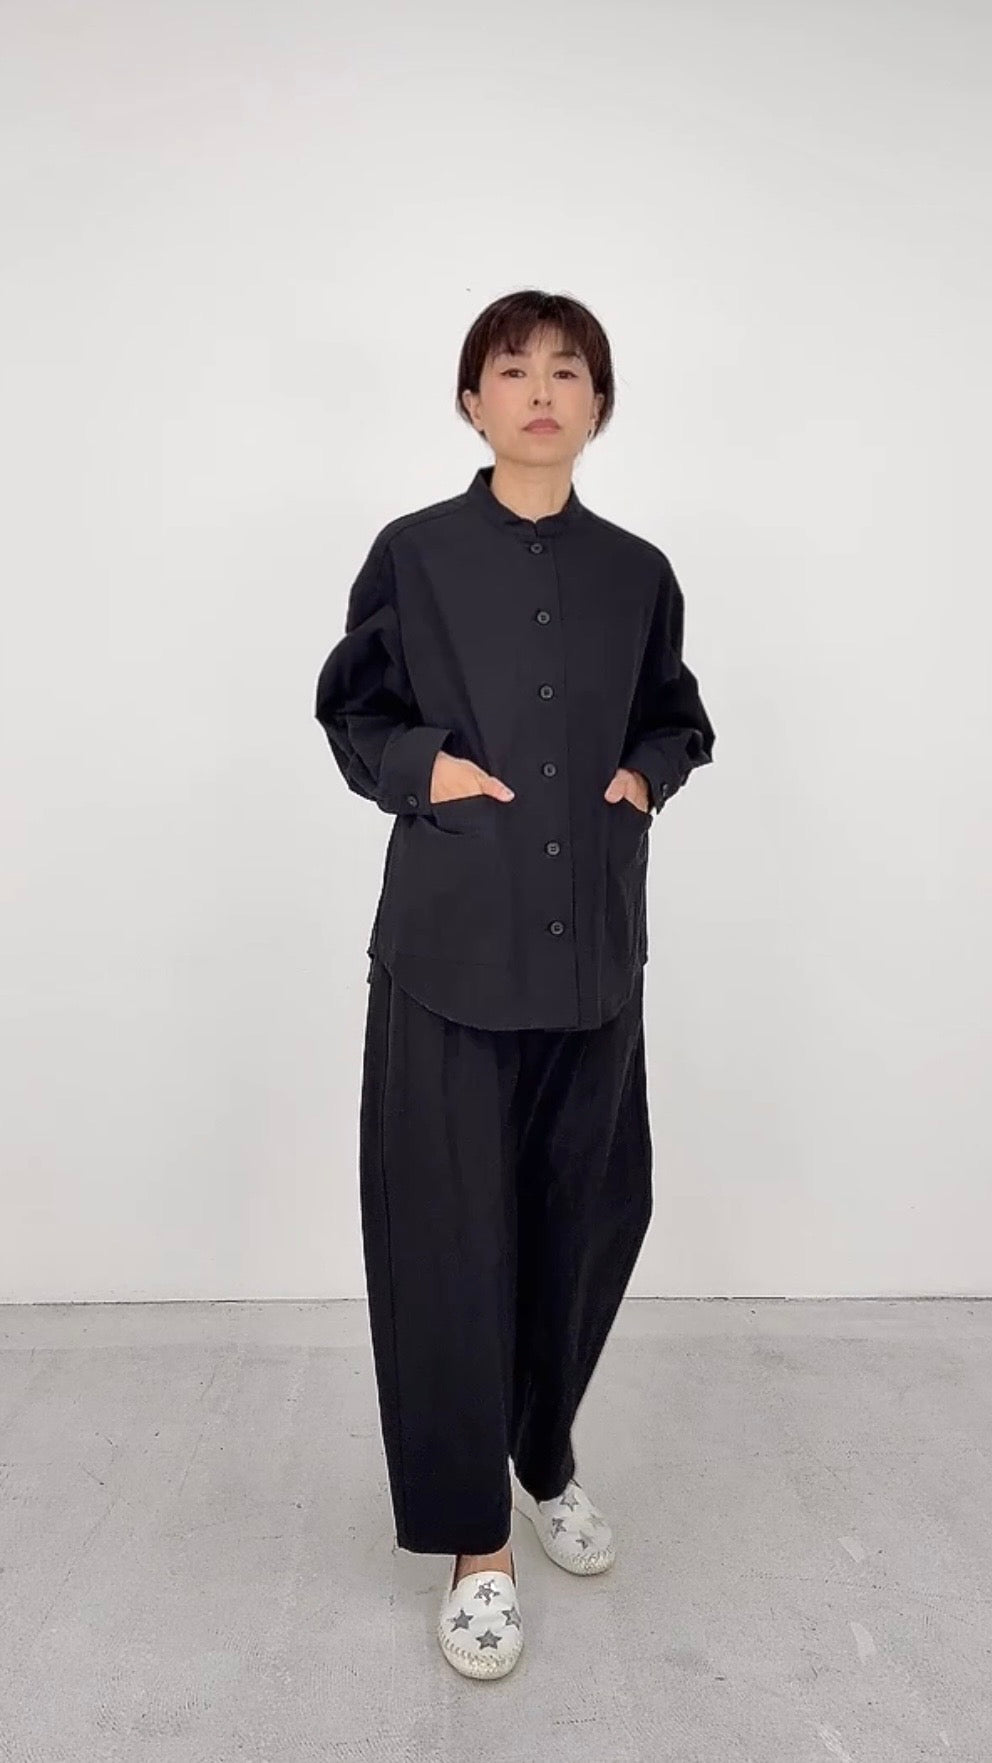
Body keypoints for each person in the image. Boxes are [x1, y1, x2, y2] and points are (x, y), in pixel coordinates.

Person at [313, 288, 716, 1679]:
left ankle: (542, 1454)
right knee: (447, 1247)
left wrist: (644, 777)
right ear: (471, 400)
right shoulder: (414, 555)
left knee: (590, 1221)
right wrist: (421, 766)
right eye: (512, 369)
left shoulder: (639, 573)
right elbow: (354, 709)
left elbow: (676, 716)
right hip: (449, 953)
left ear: (599, 405)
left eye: (568, 371)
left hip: (593, 949)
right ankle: (474, 1544)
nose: (541, 391)